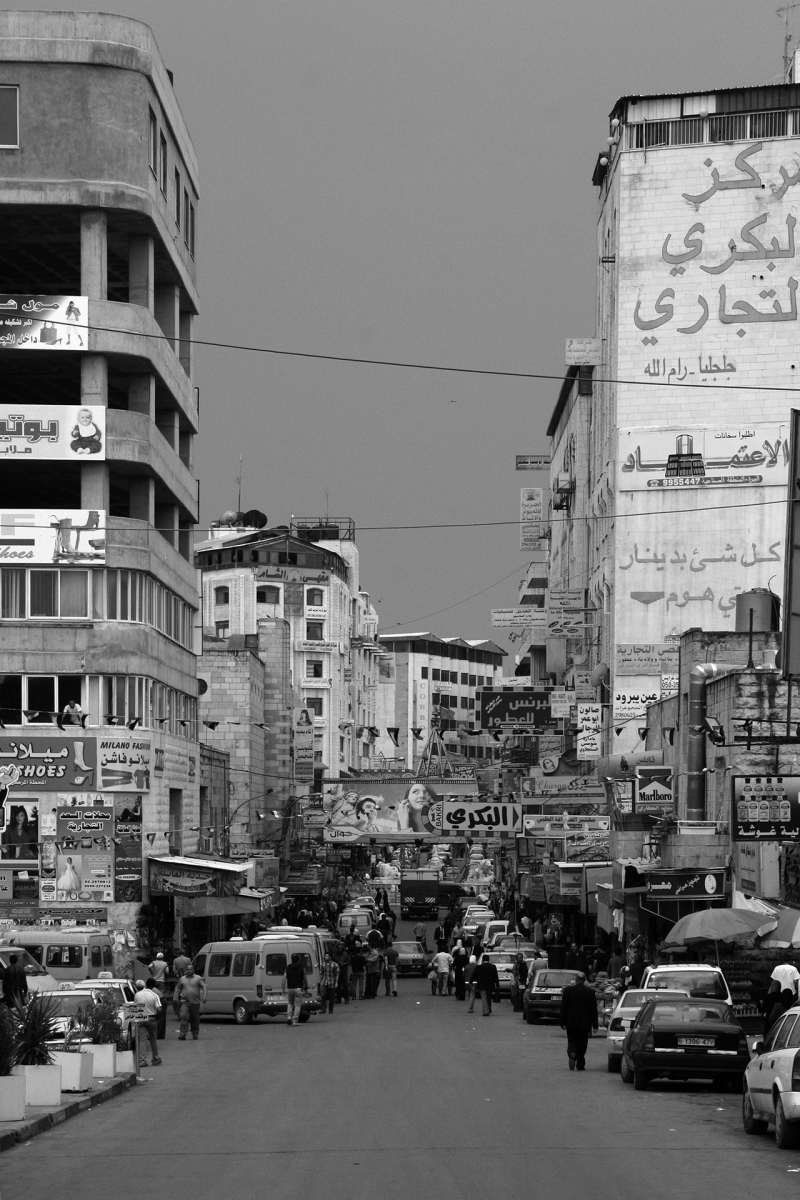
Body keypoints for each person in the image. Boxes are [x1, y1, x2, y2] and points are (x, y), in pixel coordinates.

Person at [560, 972, 598, 1071]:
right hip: (585, 1024)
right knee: (582, 1043)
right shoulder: (590, 992)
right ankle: (580, 1063)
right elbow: (593, 1009)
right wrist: (595, 1025)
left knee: (572, 1040)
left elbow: (564, 1007)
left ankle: (572, 1053)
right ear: (585, 980)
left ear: (576, 980)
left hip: (571, 1022)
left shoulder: (568, 991)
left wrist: (562, 1021)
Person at [173, 962, 206, 1040]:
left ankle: (195, 1033)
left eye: (191, 969)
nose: (189, 971)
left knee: (195, 1018)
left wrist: (204, 997)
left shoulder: (198, 978)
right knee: (184, 1017)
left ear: (193, 970)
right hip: (185, 1001)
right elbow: (178, 988)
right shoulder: (182, 979)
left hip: (195, 1001)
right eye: (188, 969)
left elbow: (204, 986)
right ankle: (183, 1034)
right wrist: (176, 997)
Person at [134, 978, 163, 1066]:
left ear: (145, 984)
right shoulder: (154, 995)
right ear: (154, 986)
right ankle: (155, 1058)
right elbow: (159, 1009)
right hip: (151, 1019)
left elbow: (135, 1007)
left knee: (142, 1040)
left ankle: (142, 1060)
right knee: (153, 1039)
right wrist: (158, 1016)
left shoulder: (137, 994)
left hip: (141, 1018)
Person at [283, 953, 308, 1026]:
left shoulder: (288, 968)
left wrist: (283, 988)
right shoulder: (302, 968)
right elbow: (305, 979)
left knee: (290, 1003)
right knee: (297, 1005)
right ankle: (295, 1020)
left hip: (290, 988)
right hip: (298, 989)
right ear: (298, 960)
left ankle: (289, 1017)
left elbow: (284, 978)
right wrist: (306, 987)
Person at [472, 950, 500, 1017]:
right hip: (490, 985)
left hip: (482, 985)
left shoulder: (479, 967)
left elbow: (474, 975)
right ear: (488, 959)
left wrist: (470, 981)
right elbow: (495, 976)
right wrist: (497, 984)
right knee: (489, 997)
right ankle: (489, 1009)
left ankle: (485, 1011)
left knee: (484, 998)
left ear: (482, 959)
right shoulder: (492, 967)